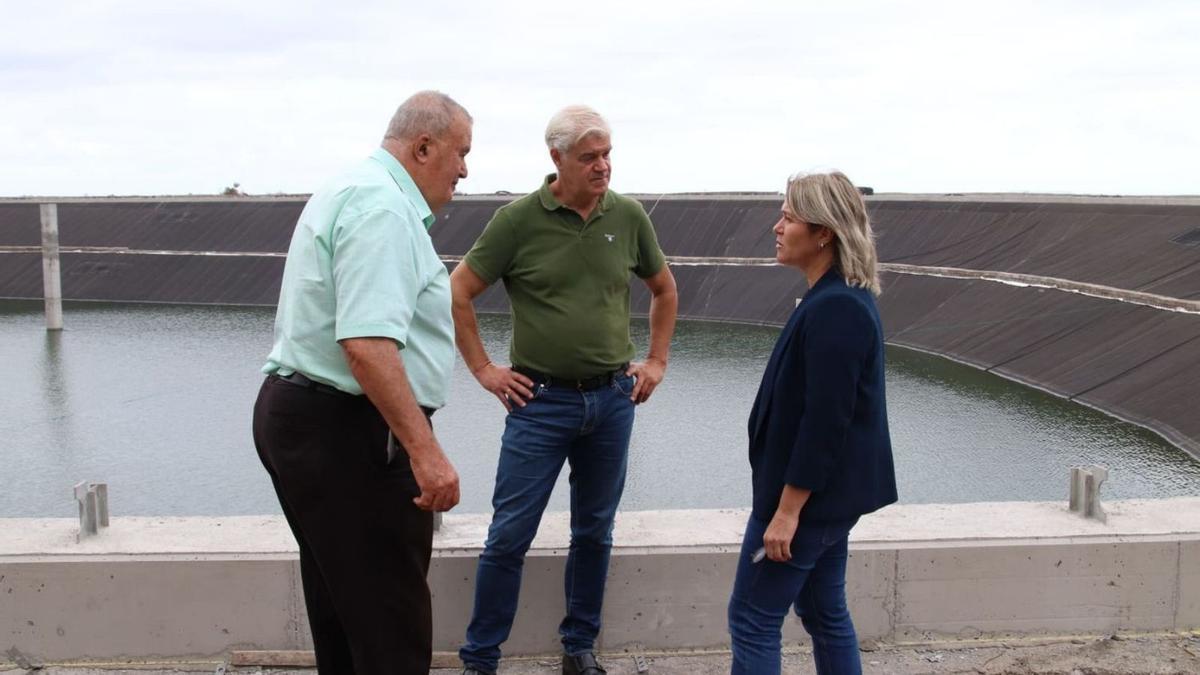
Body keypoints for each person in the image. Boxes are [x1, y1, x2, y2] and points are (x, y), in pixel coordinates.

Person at [453, 105, 679, 675]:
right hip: (539, 404)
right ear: (556, 159)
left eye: (607, 155)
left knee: (595, 532)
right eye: (589, 157)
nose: (603, 166)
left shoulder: (627, 216)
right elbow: (457, 292)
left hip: (611, 401)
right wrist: (484, 370)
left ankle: (578, 649)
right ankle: (480, 660)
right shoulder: (516, 221)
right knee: (509, 535)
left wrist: (655, 360)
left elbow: (664, 289)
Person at [252, 91, 470, 675]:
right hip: (350, 431)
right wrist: (426, 452)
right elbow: (368, 347)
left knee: (345, 609)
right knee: (390, 626)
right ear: (423, 148)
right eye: (460, 153)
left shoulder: (352, 187)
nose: (465, 170)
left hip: (308, 417)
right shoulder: (382, 208)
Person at [727, 171, 898, 674]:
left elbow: (826, 422)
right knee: (823, 611)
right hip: (827, 501)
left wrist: (787, 512)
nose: (777, 227)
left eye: (788, 217)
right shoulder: (835, 296)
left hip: (805, 505)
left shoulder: (837, 308)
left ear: (823, 232)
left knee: (753, 618)